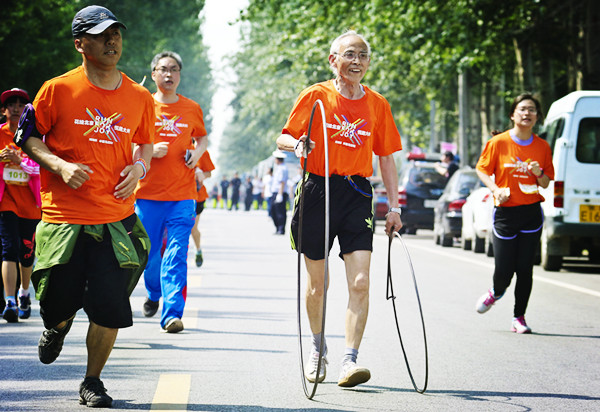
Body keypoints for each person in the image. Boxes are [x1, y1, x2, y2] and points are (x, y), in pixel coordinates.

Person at [19, 6, 154, 408]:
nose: (112, 40)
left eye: (115, 33)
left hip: (116, 219)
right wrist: (59, 165)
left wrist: (140, 166)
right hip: (64, 219)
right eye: (100, 34)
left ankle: (92, 381)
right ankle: (57, 327)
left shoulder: (138, 95)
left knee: (109, 306)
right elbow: (28, 135)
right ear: (80, 43)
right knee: (56, 302)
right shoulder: (57, 89)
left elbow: (145, 141)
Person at [276, 30, 403, 387]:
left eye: (363, 55)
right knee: (319, 285)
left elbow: (387, 158)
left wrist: (394, 206)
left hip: (357, 192)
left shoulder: (377, 104)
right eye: (350, 54)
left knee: (361, 281)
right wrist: (298, 144)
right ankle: (317, 349)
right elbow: (283, 136)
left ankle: (350, 361)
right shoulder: (316, 96)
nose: (357, 61)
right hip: (318, 188)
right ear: (334, 60)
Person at [135, 50, 207, 334]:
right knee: (149, 256)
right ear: (153, 74)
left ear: (179, 75)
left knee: (176, 254)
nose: (168, 74)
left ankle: (172, 314)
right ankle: (153, 292)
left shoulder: (191, 108)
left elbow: (201, 137)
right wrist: (150, 151)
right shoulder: (142, 105)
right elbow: (125, 144)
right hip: (147, 196)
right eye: (163, 69)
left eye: (174, 69)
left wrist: (197, 154)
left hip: (182, 195)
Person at [475, 93, 554, 334]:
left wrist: (539, 172)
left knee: (525, 269)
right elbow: (482, 169)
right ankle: (496, 292)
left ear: (537, 117)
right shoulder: (498, 143)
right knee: (504, 270)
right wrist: (496, 189)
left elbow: (546, 183)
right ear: (513, 114)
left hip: (531, 214)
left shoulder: (542, 147)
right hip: (505, 215)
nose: (527, 113)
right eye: (522, 109)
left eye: (532, 110)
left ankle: (518, 317)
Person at [0, 88, 41, 323]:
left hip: (32, 204)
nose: (16, 108)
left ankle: (25, 293)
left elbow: (40, 167)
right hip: (6, 202)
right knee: (8, 249)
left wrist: (19, 161)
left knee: (27, 254)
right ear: (3, 110)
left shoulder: (34, 135)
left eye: (21, 104)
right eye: (11, 104)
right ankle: (10, 301)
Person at [191, 150, 215, 267]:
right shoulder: (171, 145)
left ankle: (198, 249)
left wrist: (199, 175)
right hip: (174, 195)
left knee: (192, 228)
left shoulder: (201, 151)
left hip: (196, 197)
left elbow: (209, 173)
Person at [270, 150, 289, 235]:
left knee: (280, 212)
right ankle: (278, 228)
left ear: (278, 159)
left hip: (279, 193)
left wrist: (280, 194)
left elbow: (282, 182)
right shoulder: (279, 168)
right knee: (273, 211)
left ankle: (281, 229)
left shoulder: (283, 168)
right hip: (275, 192)